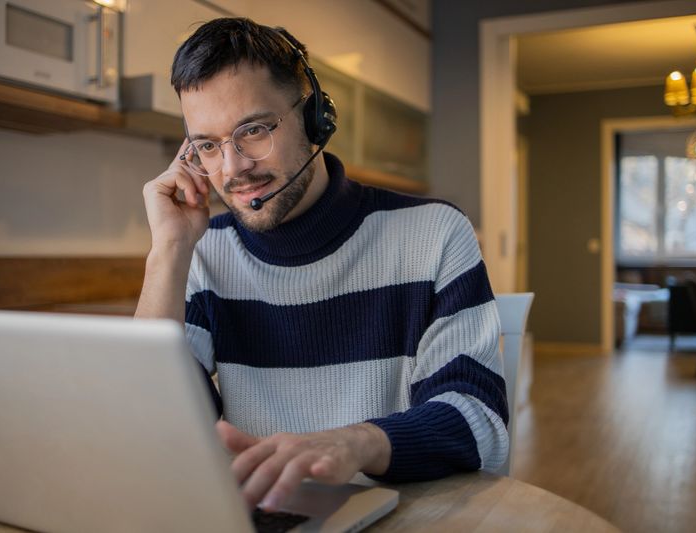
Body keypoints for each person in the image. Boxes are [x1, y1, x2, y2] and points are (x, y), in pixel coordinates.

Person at [135, 17, 507, 513]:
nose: (233, 167)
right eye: (208, 145)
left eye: (254, 130)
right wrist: (168, 251)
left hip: (399, 514)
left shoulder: (434, 233)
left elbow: (480, 421)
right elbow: (147, 426)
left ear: (315, 117)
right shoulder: (202, 251)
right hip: (256, 516)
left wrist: (353, 443)